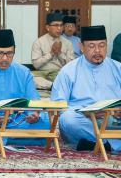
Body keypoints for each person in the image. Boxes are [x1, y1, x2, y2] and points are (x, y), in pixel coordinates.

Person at [51, 25, 121, 153]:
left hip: (114, 121)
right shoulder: (68, 71)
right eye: (91, 46)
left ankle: (96, 145)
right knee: (67, 119)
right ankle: (110, 144)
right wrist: (86, 112)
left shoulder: (118, 68)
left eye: (102, 45)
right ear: (81, 47)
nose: (97, 51)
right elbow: (58, 105)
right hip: (85, 121)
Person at [31, 13, 75, 89]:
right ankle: (53, 86)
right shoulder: (38, 42)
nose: (59, 28)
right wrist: (51, 54)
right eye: (56, 25)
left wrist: (59, 53)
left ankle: (51, 85)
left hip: (59, 73)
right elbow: (36, 65)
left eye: (61, 25)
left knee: (69, 77)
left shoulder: (68, 43)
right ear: (48, 27)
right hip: (42, 74)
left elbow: (71, 66)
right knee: (29, 77)